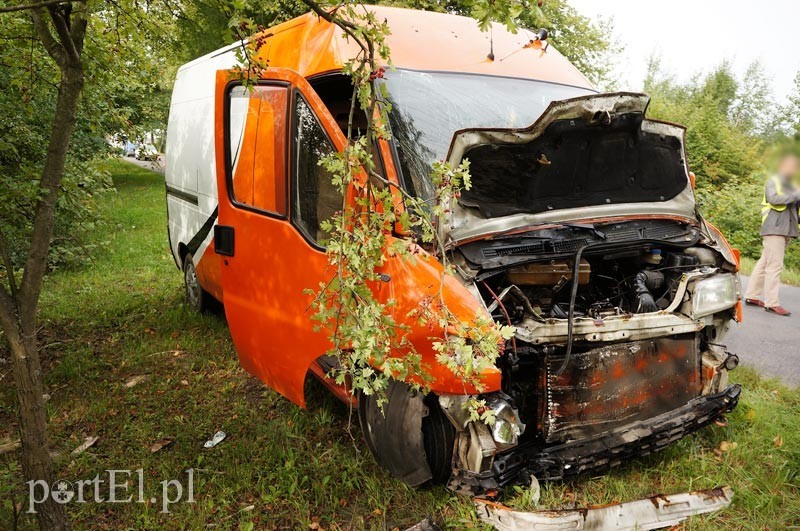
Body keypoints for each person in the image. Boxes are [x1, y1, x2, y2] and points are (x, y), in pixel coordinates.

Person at [744, 154, 800, 316]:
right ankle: (772, 303)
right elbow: (774, 199)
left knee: (764, 263)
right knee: (775, 265)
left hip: (785, 231)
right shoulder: (774, 181)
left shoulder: (791, 186)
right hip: (774, 229)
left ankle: (752, 295)